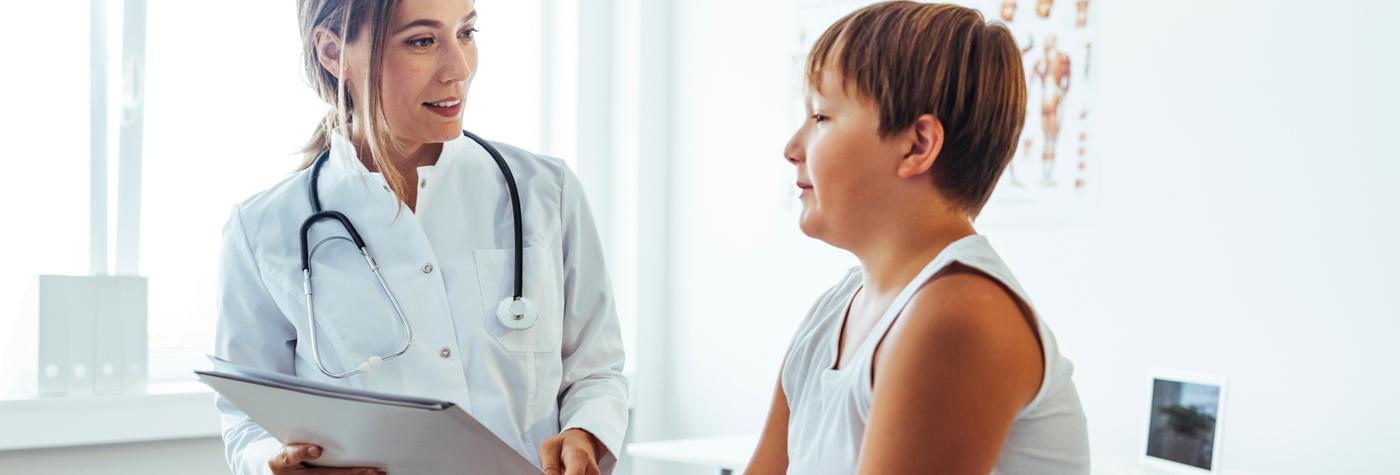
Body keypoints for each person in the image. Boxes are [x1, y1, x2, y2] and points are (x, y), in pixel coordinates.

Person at [214, 1, 627, 474]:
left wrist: (584, 434)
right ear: (332, 52)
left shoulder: (545, 191)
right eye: (422, 41)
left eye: (466, 33)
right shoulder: (262, 228)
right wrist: (274, 463)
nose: (459, 69)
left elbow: (596, 372)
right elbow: (246, 420)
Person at [745, 2, 1089, 474]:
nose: (792, 148)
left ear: (917, 145)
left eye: (821, 117)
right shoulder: (835, 309)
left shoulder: (960, 315)